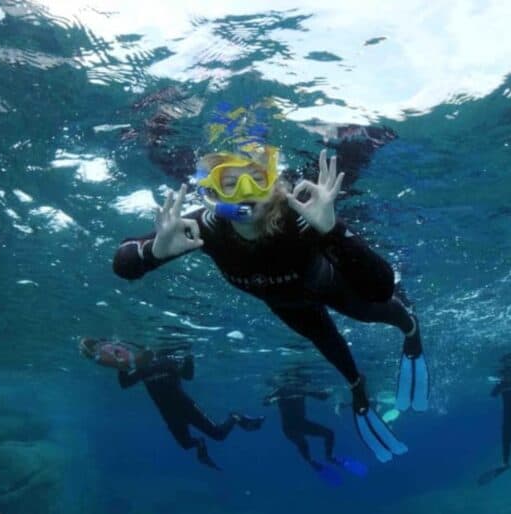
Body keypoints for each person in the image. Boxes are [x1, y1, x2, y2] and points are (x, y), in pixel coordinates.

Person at [111, 144, 427, 463]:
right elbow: (123, 263)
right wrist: (153, 254)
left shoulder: (301, 214)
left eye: (257, 180)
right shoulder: (204, 227)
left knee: (372, 310)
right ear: (215, 194)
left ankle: (411, 330)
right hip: (287, 305)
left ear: (275, 185)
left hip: (331, 286)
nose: (245, 192)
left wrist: (334, 230)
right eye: (231, 183)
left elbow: (380, 288)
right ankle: (358, 387)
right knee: (325, 341)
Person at [79, 338, 264, 470]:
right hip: (169, 414)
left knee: (219, 435)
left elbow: (188, 376)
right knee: (185, 445)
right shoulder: (142, 368)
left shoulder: (168, 362)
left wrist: (189, 358)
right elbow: (125, 384)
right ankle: (199, 444)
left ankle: (235, 417)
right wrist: (120, 365)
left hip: (187, 408)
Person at [263, 368, 367, 486]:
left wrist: (325, 392)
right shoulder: (280, 390)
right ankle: (311, 461)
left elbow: (322, 396)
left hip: (302, 423)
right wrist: (273, 399)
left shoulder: (301, 390)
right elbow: (265, 401)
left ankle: (330, 457)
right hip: (289, 428)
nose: (297, 384)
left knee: (329, 433)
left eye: (299, 382)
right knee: (302, 442)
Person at [478, 352, 511, 485]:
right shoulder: (502, 384)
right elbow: (493, 394)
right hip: (507, 415)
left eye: (509, 374)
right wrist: (499, 383)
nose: (507, 376)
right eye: (505, 374)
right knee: (505, 437)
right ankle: (506, 463)